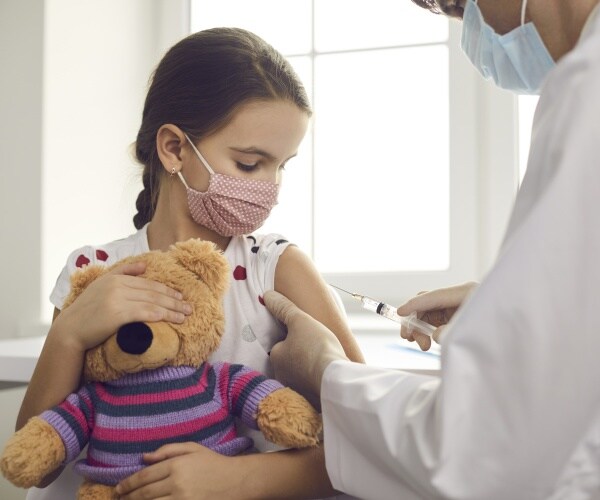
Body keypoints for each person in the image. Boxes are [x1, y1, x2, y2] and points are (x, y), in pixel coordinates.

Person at [260, 0, 600, 498]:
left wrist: (326, 373)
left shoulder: (585, 94)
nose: (472, 28)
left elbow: (487, 451)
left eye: (458, 6)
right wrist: (507, 308)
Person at [17, 27, 364, 499]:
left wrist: (239, 478)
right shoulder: (92, 269)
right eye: (250, 164)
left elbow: (366, 441)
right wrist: (70, 334)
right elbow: (35, 465)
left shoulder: (276, 267)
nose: (272, 187)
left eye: (282, 165)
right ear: (174, 148)